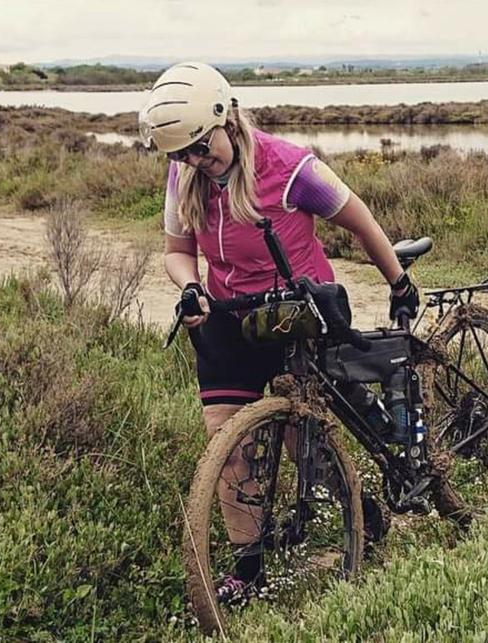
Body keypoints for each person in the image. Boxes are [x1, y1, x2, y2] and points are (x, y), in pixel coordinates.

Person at [139, 62, 419, 605]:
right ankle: (249, 566)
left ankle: (360, 509)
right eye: (181, 155)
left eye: (201, 147)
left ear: (227, 118)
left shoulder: (292, 168)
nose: (195, 161)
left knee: (301, 438)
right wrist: (191, 288)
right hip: (227, 318)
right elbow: (177, 253)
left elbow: (359, 219)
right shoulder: (184, 176)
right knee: (227, 437)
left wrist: (399, 281)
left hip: (296, 313)